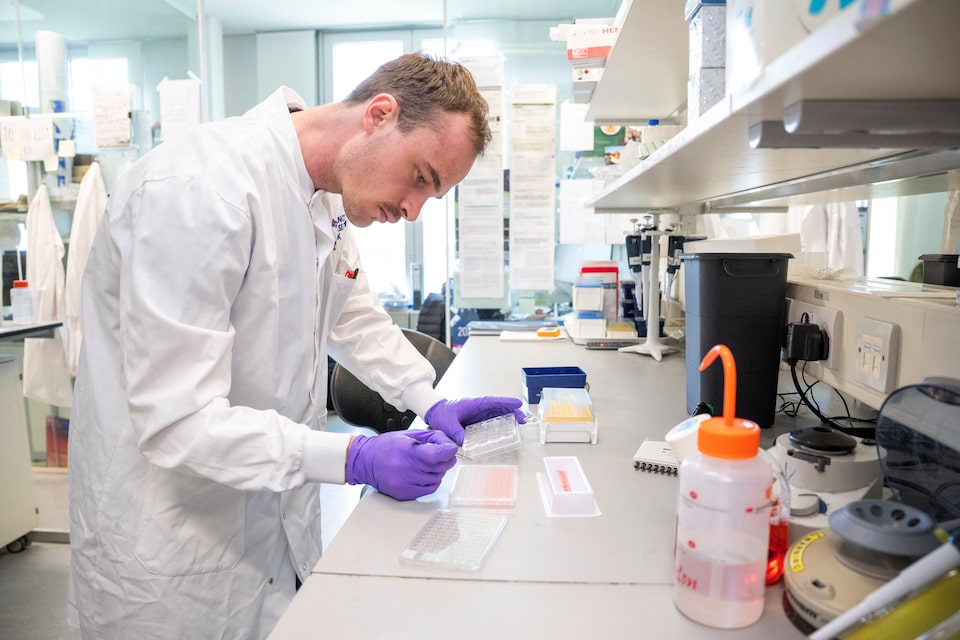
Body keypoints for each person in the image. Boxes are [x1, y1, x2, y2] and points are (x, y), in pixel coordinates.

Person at [67, 52, 525, 639]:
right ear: (380, 115)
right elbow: (178, 421)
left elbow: (353, 317)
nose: (413, 211)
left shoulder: (326, 197)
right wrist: (352, 458)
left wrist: (429, 400)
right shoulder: (199, 191)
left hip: (269, 532)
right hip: (169, 546)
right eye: (420, 178)